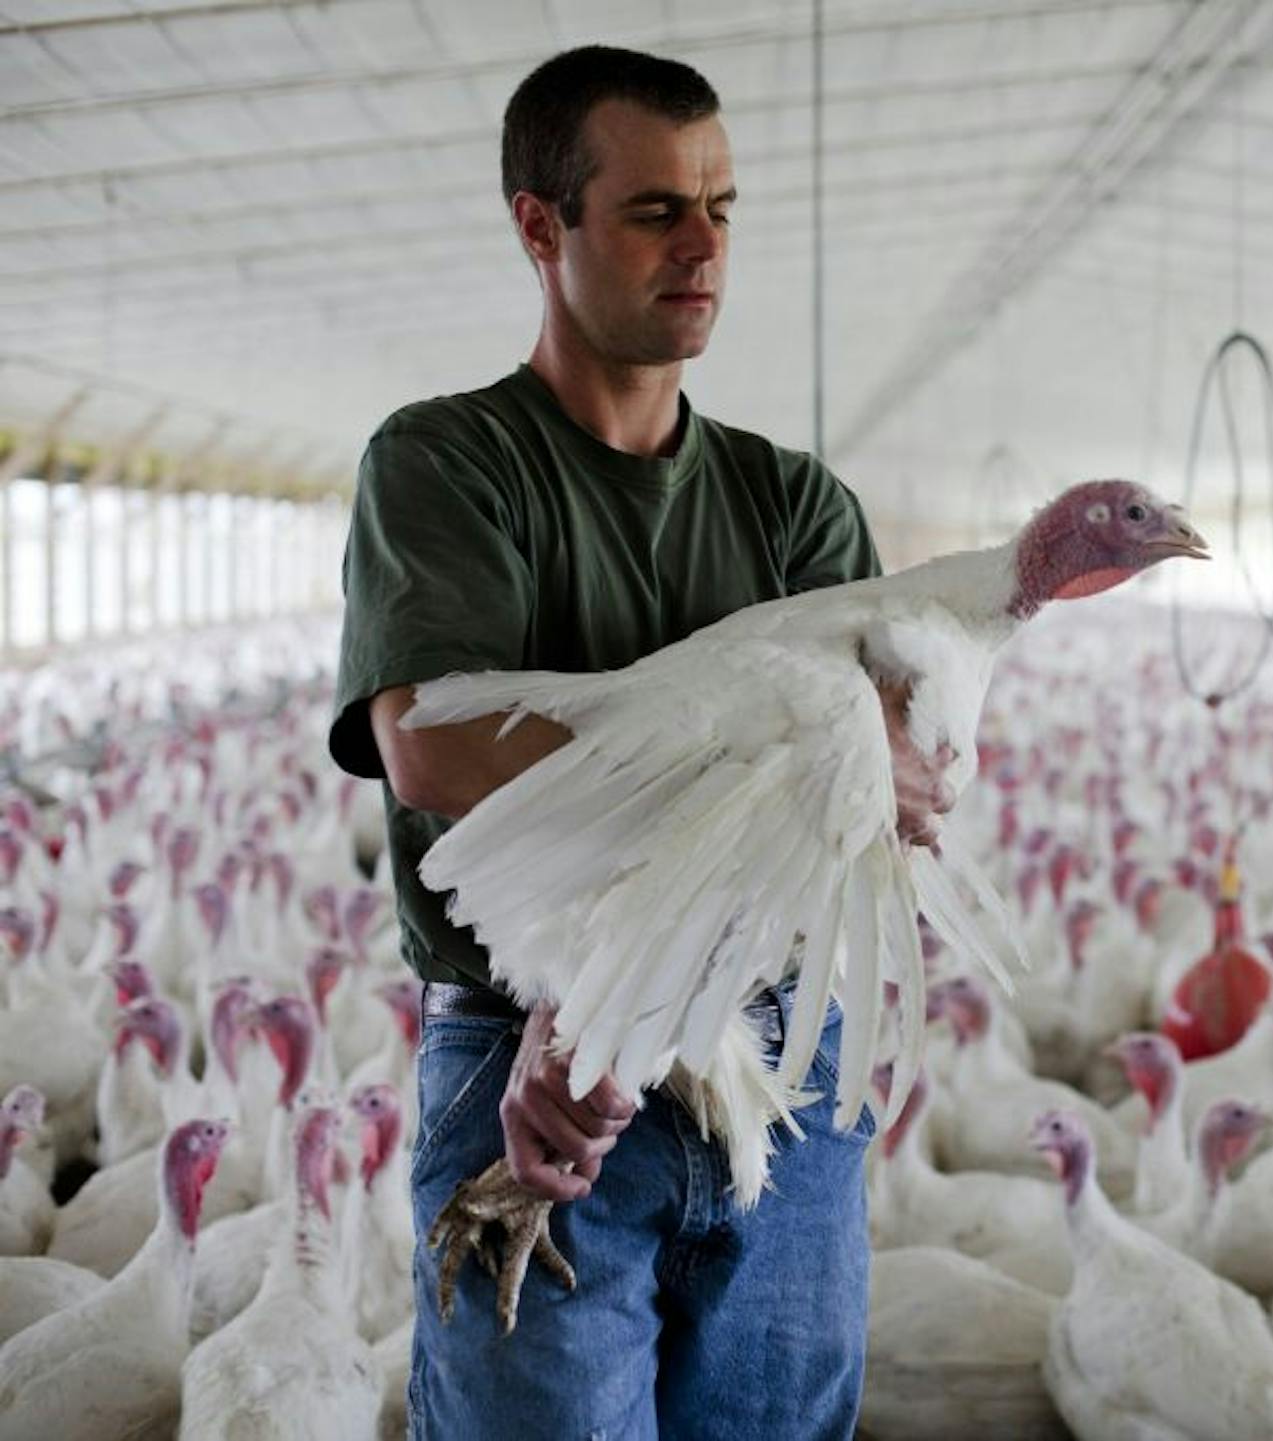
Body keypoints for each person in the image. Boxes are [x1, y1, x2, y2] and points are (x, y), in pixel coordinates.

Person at [327, 44, 950, 1440]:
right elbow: (439, 746)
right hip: (524, 1078)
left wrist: (625, 993)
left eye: (723, 208)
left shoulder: (798, 508)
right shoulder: (447, 465)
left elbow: (882, 797)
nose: (705, 246)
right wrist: (598, 975)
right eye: (658, 210)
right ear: (539, 227)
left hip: (778, 1065)